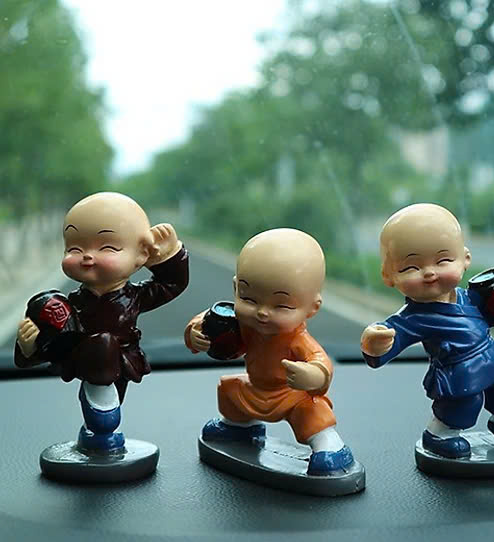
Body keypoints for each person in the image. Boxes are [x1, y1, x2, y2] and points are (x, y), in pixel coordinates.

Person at [360, 203, 494, 460]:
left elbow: (492, 312)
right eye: (411, 267)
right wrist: (375, 343)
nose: (430, 273)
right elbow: (392, 333)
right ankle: (439, 434)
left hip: (491, 355)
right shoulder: (414, 317)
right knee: (463, 402)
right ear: (388, 275)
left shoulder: (471, 297)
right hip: (458, 370)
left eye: (443, 261)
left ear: (465, 259)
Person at [15, 192, 189, 452]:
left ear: (142, 254)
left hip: (123, 361)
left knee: (111, 385)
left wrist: (170, 256)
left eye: (107, 247)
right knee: (102, 391)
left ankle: (99, 430)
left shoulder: (134, 296)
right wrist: (29, 347)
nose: (87, 256)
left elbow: (172, 284)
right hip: (84, 362)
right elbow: (57, 342)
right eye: (74, 249)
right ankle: (99, 426)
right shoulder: (68, 305)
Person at [185, 228, 355, 476]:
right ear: (236, 289)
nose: (262, 313)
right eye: (249, 299)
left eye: (281, 306)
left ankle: (329, 445)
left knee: (311, 409)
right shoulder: (244, 325)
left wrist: (313, 375)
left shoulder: (297, 339)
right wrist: (196, 332)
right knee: (229, 389)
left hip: (290, 394)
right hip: (255, 388)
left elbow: (320, 360)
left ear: (312, 308)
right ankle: (239, 427)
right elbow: (207, 321)